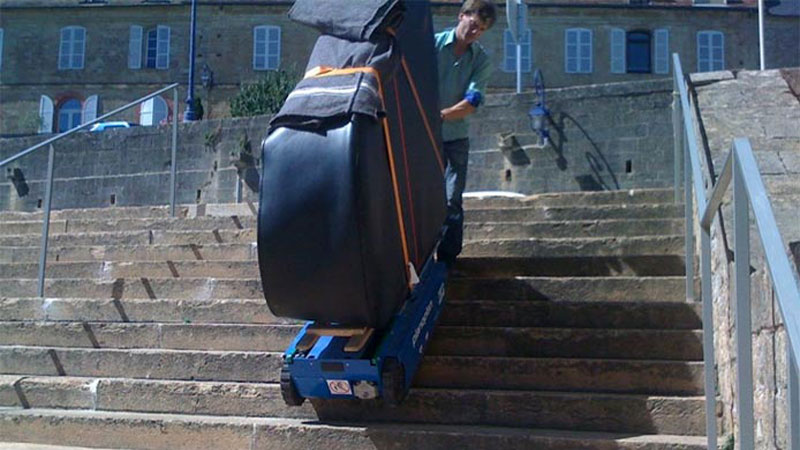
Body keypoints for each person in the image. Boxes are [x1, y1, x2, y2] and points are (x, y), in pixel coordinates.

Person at [435, 0, 497, 268]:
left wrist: (440, 116)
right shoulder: (432, 45)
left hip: (455, 137)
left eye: (481, 30)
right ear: (461, 16)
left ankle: (448, 262)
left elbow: (472, 101)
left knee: (451, 198)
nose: (475, 32)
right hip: (420, 135)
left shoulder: (481, 61)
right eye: (473, 24)